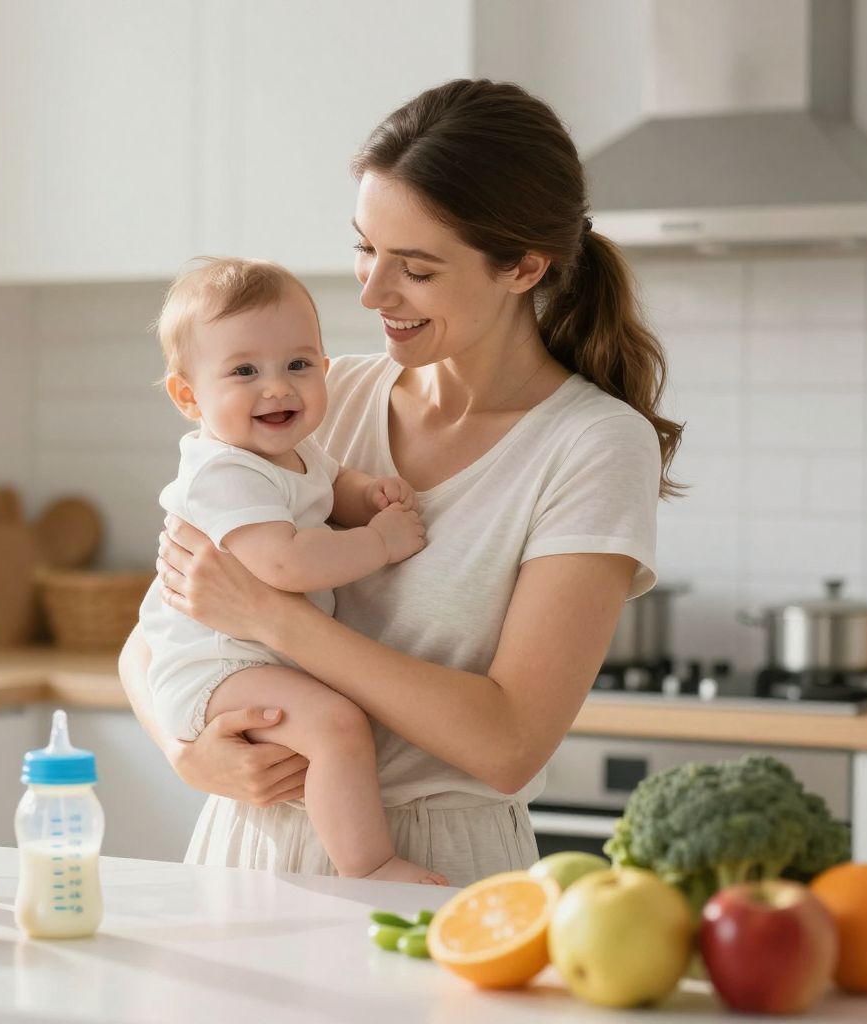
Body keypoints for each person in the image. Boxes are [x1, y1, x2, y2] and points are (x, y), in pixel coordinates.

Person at [118, 79, 682, 886]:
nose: (372, 291)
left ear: (524, 267)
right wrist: (186, 754)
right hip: (248, 851)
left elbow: (509, 743)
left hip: (436, 870)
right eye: (365, 248)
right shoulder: (311, 400)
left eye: (414, 268)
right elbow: (155, 633)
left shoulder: (591, 444)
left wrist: (273, 617)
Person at [138, 256, 444, 885]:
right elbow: (284, 562)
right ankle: (370, 863)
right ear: (188, 396)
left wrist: (368, 496)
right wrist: (380, 542)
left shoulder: (294, 451)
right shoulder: (223, 471)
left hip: (247, 659)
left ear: (324, 369)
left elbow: (331, 488)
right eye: (245, 371)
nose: (277, 388)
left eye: (298, 366)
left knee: (331, 725)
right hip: (215, 667)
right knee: (335, 725)